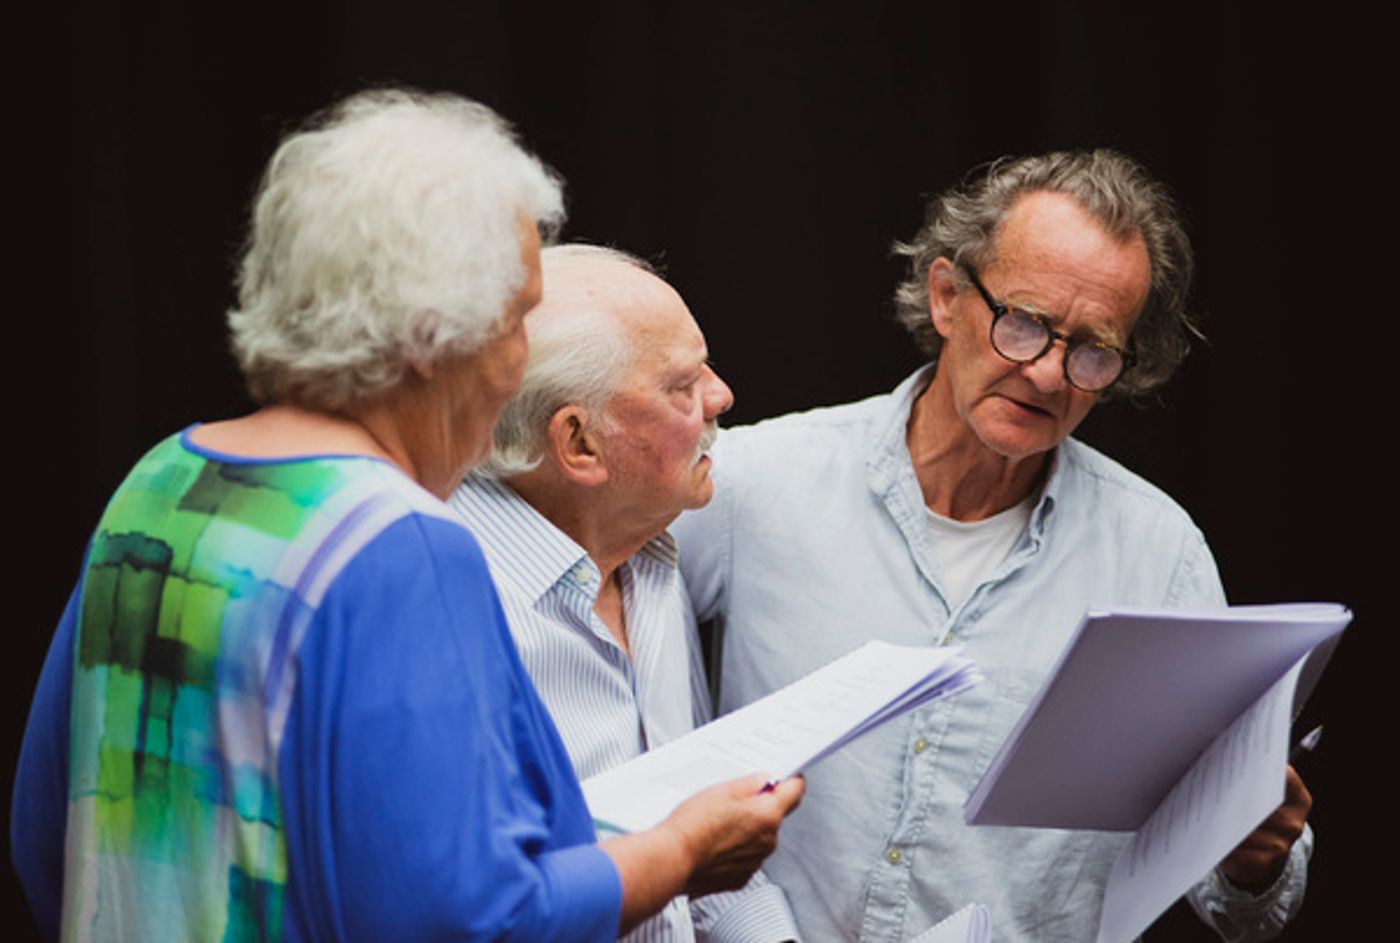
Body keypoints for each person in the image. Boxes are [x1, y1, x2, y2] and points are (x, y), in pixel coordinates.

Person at [11, 89, 802, 942]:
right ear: (435, 340)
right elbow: (471, 920)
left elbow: (43, 835)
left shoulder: (157, 481)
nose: (515, 369)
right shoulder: (401, 545)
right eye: (513, 324)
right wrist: (683, 850)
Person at [672, 150, 1311, 943]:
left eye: (1092, 350)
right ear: (945, 296)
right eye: (1024, 323)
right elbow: (597, 675)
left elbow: (1237, 904)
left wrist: (1251, 857)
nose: (1047, 374)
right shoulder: (757, 484)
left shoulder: (1157, 554)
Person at [451, 244, 801, 943]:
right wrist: (680, 852)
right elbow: (467, 912)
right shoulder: (448, 603)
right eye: (681, 384)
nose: (720, 395)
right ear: (579, 442)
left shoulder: (649, 554)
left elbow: (705, 856)